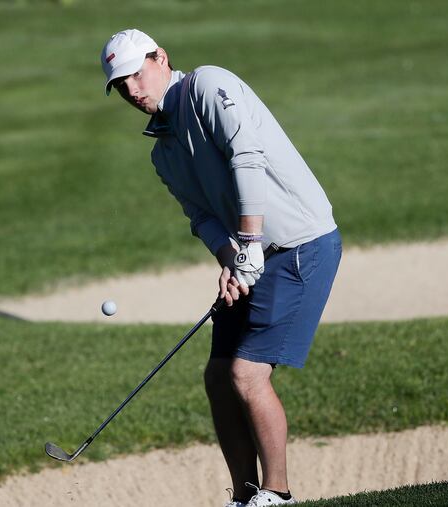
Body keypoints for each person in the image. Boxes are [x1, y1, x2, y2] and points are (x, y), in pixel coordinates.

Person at [100, 29, 342, 507]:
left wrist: (249, 243)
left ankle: (278, 494)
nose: (131, 90)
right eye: (120, 84)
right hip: (255, 255)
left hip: (299, 245)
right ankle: (244, 495)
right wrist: (232, 260)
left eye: (135, 75)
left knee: (247, 375)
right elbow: (203, 218)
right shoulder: (162, 151)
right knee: (217, 376)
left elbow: (246, 157)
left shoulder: (208, 86)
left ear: (161, 58)